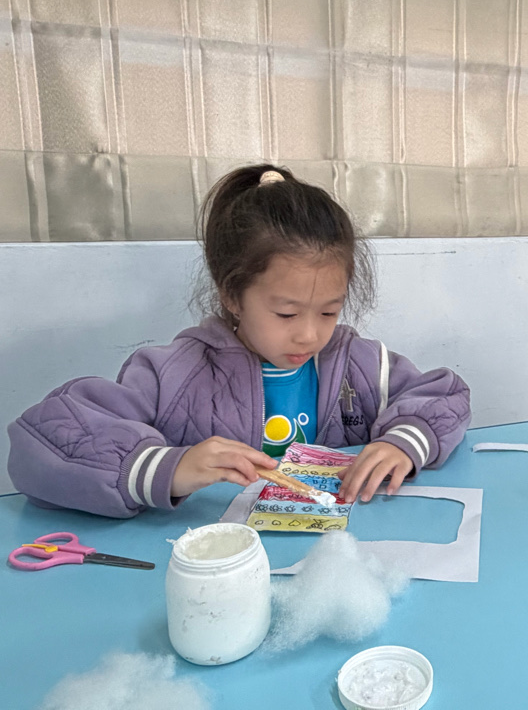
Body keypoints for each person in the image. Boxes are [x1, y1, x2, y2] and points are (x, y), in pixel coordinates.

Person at [8, 164, 471, 518]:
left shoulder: (359, 364)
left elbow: (446, 397)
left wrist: (403, 443)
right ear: (232, 295)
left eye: (329, 311)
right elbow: (40, 446)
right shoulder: (173, 374)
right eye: (286, 313)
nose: (310, 334)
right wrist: (170, 468)